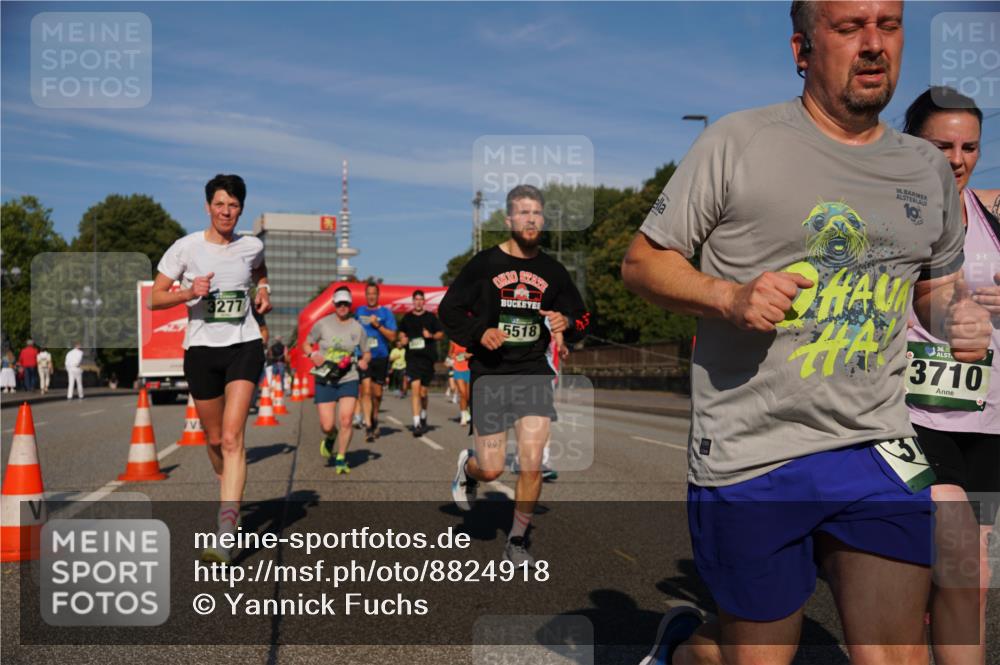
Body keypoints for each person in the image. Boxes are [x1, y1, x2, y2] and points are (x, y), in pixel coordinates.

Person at [620, 3, 992, 664]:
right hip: (753, 449)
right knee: (756, 652)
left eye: (890, 24)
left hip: (876, 442)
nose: (875, 44)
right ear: (802, 48)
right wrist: (727, 295)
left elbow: (935, 289)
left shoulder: (926, 168)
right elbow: (643, 263)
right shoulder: (738, 141)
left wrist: (956, 319)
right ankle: (684, 646)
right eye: (850, 28)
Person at [440, 184, 590, 567]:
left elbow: (584, 318)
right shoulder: (485, 264)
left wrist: (568, 322)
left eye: (536, 212)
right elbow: (449, 311)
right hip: (490, 373)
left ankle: (518, 540)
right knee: (491, 467)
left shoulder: (553, 271)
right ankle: (468, 468)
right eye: (523, 212)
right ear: (508, 219)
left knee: (532, 461)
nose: (530, 219)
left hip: (533, 372)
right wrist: (479, 333)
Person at [902, 86, 1000, 665]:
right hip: (905, 414)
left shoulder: (989, 208)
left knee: (971, 578)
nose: (957, 159)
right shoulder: (883, 212)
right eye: (942, 145)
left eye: (970, 146)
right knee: (947, 562)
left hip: (985, 419)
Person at [151, 174, 270, 564]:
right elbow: (155, 298)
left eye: (233, 206)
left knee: (234, 438)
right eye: (220, 204)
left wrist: (264, 290)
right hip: (201, 350)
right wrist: (189, 292)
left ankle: (226, 528)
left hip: (244, 345)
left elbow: (259, 268)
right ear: (208, 206)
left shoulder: (251, 245)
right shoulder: (186, 248)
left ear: (241, 209)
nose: (226, 211)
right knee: (215, 440)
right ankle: (227, 483)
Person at [303, 286, 370, 474]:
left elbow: (366, 352)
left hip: (349, 377)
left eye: (346, 303)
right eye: (339, 303)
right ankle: (331, 436)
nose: (342, 307)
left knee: (347, 420)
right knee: (327, 425)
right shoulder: (322, 324)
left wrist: (364, 360)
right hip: (325, 378)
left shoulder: (357, 328)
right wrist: (313, 354)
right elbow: (306, 344)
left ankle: (341, 457)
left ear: (350, 305)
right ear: (333, 304)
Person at [355, 282, 398, 443]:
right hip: (364, 356)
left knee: (377, 393)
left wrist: (378, 325)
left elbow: (393, 337)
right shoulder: (359, 311)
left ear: (377, 295)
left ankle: (374, 418)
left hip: (381, 356)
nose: (371, 296)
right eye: (369, 293)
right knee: (365, 390)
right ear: (366, 295)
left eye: (374, 293)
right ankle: (368, 426)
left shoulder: (386, 313)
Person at [398, 290, 444, 437]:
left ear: (424, 302)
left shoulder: (431, 317)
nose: (418, 302)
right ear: (413, 301)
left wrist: (430, 335)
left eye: (420, 300)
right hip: (412, 358)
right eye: (416, 299)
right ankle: (416, 423)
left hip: (427, 359)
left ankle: (423, 414)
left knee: (423, 392)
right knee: (415, 389)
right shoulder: (407, 318)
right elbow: (401, 334)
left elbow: (440, 334)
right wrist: (402, 339)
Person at [447, 340, 472, 426]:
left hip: (469, 369)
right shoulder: (453, 341)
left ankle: (468, 411)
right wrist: (457, 356)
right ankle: (463, 416)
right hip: (458, 369)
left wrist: (469, 355)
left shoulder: (471, 338)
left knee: (468, 395)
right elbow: (450, 354)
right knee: (462, 393)